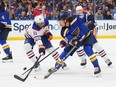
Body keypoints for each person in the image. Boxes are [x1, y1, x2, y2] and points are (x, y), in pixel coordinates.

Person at [48, 11, 101, 77]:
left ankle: (96, 67)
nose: (59, 23)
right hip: (77, 40)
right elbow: (69, 39)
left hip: (87, 36)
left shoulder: (75, 18)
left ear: (65, 20)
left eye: (60, 21)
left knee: (88, 49)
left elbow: (88, 16)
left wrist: (92, 22)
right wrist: (71, 42)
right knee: (66, 51)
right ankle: (56, 66)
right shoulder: (63, 31)